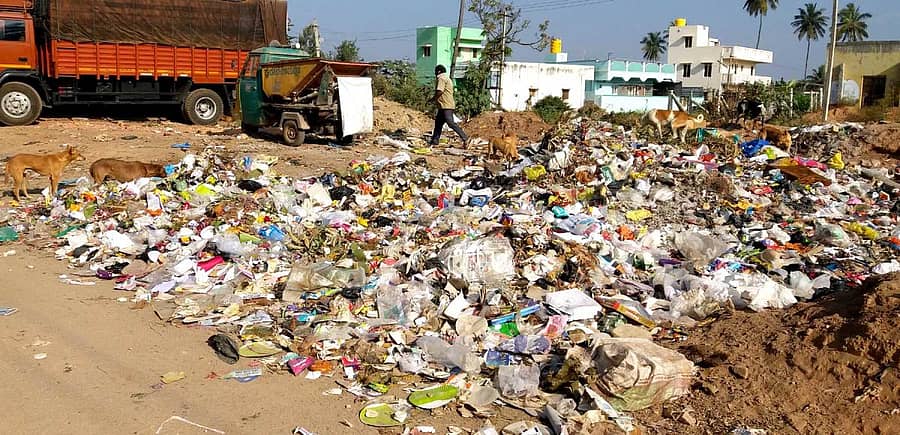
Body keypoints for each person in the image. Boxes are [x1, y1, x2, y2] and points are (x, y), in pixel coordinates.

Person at [429, 65, 468, 146]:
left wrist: (433, 99)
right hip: (443, 105)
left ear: (438, 71)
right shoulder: (446, 78)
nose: (435, 73)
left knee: (450, 123)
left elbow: (439, 91)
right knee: (438, 123)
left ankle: (464, 137)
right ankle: (435, 140)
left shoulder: (441, 78)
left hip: (446, 105)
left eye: (435, 71)